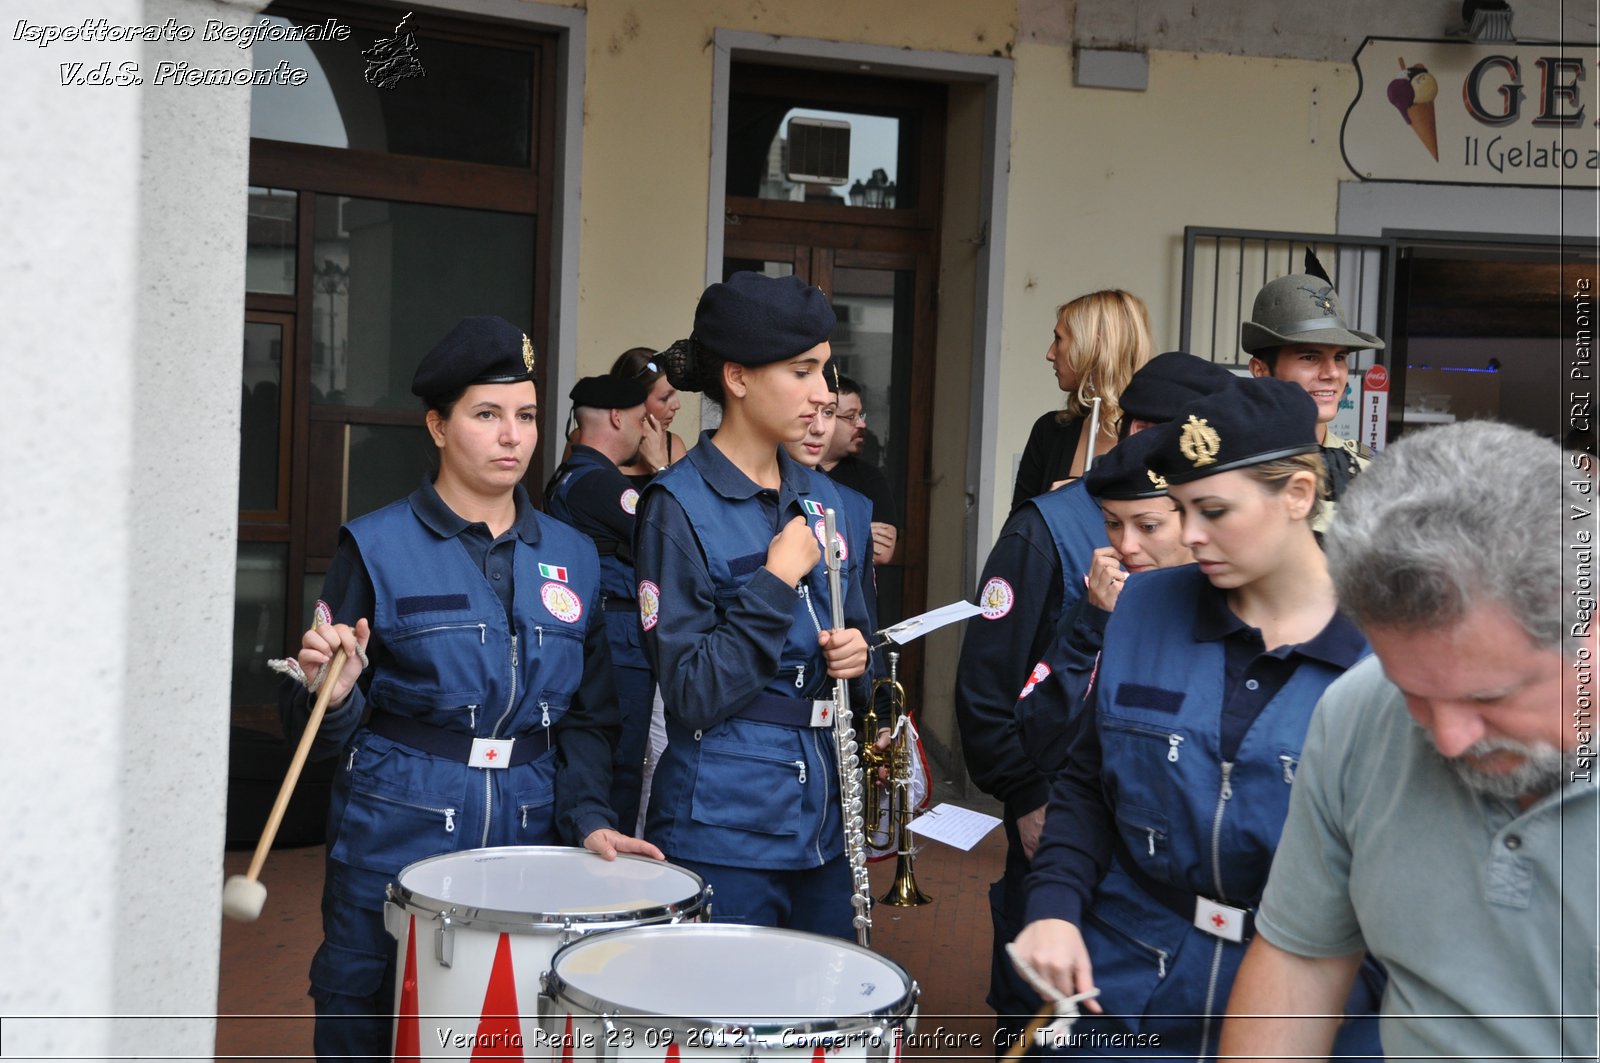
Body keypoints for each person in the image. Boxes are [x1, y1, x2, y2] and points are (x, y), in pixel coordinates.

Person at [278, 316, 661, 1062]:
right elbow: (310, 728)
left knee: (506, 1034)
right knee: (366, 1019)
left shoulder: (575, 555)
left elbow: (590, 717)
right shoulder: (376, 546)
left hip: (529, 828)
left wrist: (586, 815)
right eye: (487, 415)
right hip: (395, 829)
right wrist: (336, 691)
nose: (511, 436)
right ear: (438, 425)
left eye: (524, 416)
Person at [1010, 378, 1382, 1061]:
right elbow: (1089, 784)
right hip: (1130, 974)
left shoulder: (1387, 652)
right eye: (1179, 509)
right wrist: (1055, 907)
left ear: (1299, 494)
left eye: (1212, 510)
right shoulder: (1145, 607)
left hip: (1309, 996)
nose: (1188, 535)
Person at [1220, 421, 1598, 1063]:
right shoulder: (1358, 710)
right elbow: (1300, 967)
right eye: (1413, 692)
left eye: (1488, 699)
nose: (1449, 739)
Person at [956, 350, 1238, 1050]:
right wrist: (1024, 796)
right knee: (1036, 1014)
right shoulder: (1048, 530)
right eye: (1116, 524)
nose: (1129, 544)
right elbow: (1007, 701)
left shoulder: (1242, 600)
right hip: (1070, 859)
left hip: (1180, 919)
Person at [633, 272, 874, 938]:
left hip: (823, 821)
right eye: (802, 371)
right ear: (737, 378)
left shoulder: (824, 499)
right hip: (725, 829)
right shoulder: (676, 506)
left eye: (826, 371)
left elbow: (855, 642)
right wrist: (773, 582)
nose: (823, 394)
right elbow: (691, 691)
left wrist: (858, 656)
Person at [1014, 428, 1196, 775]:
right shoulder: (1102, 602)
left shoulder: (1235, 605)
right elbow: (1041, 736)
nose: (1126, 545)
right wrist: (1093, 626)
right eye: (1112, 523)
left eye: (1149, 526)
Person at [543, 374, 656, 831]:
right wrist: (663, 467)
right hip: (617, 642)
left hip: (605, 633)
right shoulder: (601, 484)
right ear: (616, 416)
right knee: (618, 769)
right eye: (640, 418)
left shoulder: (573, 476)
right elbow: (672, 536)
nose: (645, 430)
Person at [1242, 259, 1384, 531]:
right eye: (1309, 357)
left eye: (1340, 357)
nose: (1332, 373)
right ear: (1261, 370)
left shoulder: (1368, 469)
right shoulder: (1231, 462)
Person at [1012, 290, 1153, 512]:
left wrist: (1089, 495)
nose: (1050, 353)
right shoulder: (1049, 432)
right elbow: (1019, 529)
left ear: (1094, 347)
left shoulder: (1157, 436)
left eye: (1059, 339)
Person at [822, 376, 900, 565]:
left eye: (860, 415)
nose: (861, 424)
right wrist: (859, 532)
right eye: (851, 417)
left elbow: (881, 552)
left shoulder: (869, 478)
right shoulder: (788, 472)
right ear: (825, 415)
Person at [610, 346, 689, 484]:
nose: (677, 405)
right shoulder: (590, 439)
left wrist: (659, 464)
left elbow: (686, 503)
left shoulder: (674, 446)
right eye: (665, 398)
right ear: (634, 400)